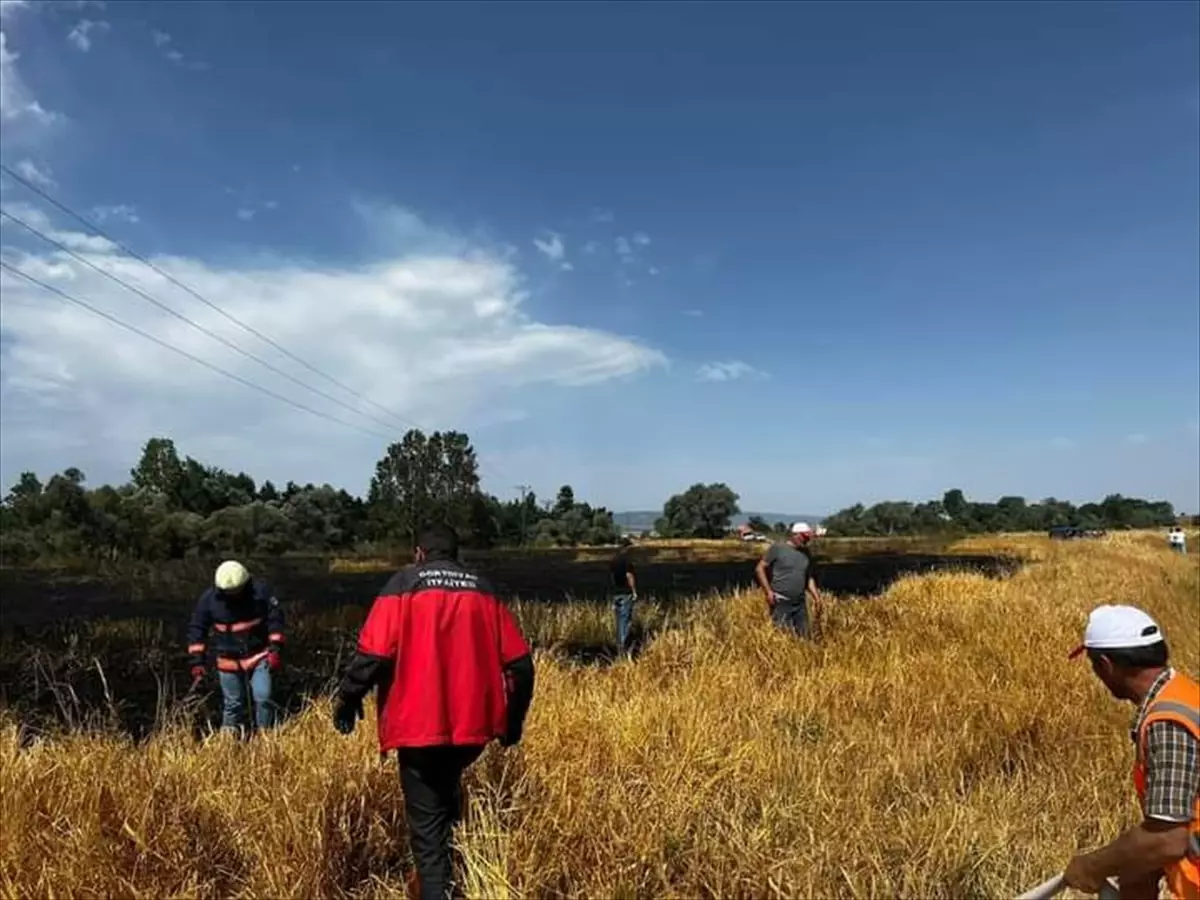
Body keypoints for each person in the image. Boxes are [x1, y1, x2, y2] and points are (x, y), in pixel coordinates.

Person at [332, 524, 535, 900]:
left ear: (419, 554)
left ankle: (436, 886)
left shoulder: (402, 584)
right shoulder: (482, 588)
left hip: (418, 729)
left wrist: (347, 699)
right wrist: (512, 723)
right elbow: (521, 666)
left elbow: (372, 657)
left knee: (427, 832)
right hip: (471, 731)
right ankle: (454, 871)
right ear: (457, 555)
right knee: (445, 795)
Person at [1064, 604, 1199, 900]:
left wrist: (1091, 866)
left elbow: (1167, 838)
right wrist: (1136, 869)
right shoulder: (1186, 694)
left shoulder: (1167, 722)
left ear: (1105, 665)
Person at [186, 559, 285, 733]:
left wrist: (276, 648)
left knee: (263, 697)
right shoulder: (209, 600)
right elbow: (197, 628)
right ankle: (227, 744)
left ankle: (266, 738)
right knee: (233, 704)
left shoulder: (260, 594)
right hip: (228, 660)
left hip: (259, 655)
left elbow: (275, 619)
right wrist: (197, 661)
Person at [755, 522, 823, 636]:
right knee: (783, 637)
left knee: (805, 637)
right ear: (795, 535)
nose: (807, 541)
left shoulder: (806, 553)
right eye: (804, 537)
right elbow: (759, 568)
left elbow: (809, 577)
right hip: (781, 602)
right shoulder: (778, 548)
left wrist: (816, 597)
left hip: (800, 604)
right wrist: (768, 592)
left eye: (808, 538)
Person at [610, 536, 638, 656]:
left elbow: (612, 576)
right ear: (627, 547)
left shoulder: (614, 560)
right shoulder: (627, 561)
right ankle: (623, 648)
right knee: (625, 620)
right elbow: (629, 576)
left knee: (618, 620)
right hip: (626, 593)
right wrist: (634, 591)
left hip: (616, 593)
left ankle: (618, 645)